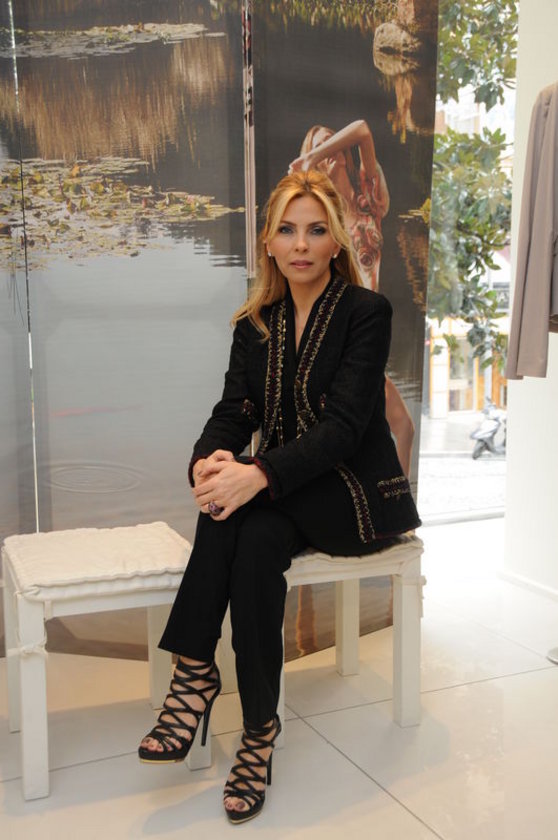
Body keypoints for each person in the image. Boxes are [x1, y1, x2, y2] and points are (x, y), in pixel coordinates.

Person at [138, 170, 420, 824]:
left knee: (241, 502)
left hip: (356, 495)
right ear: (267, 242)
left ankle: (193, 673)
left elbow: (344, 428)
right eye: (287, 230)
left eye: (316, 230)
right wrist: (208, 462)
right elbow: (234, 410)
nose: (301, 244)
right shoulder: (255, 323)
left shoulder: (365, 312)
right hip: (285, 495)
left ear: (334, 241)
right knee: (249, 529)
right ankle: (259, 731)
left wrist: (255, 475)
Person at [289, 120, 415, 476]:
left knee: (403, 428)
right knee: (343, 441)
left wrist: (312, 154)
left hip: (365, 339)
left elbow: (361, 129)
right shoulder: (319, 226)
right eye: (320, 148)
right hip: (336, 341)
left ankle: (394, 502)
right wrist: (308, 166)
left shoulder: (369, 198)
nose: (330, 152)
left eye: (333, 144)